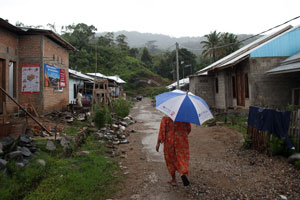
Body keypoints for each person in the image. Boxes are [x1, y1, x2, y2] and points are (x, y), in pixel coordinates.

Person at [156, 116, 191, 186]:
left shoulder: (166, 118)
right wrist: (182, 135)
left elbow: (162, 130)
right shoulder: (184, 118)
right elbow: (188, 129)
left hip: (169, 142)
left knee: (170, 160)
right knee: (181, 158)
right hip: (181, 141)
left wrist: (158, 143)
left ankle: (174, 180)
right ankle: (182, 172)